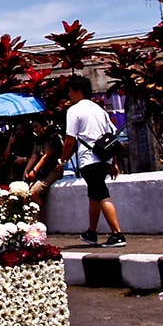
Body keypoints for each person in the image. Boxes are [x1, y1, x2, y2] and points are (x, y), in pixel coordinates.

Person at [59, 75, 126, 248]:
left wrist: (63, 158)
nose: (69, 95)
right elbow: (112, 137)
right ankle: (91, 232)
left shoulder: (74, 111)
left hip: (89, 159)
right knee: (94, 195)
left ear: (78, 91)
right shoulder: (99, 110)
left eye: (70, 91)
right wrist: (114, 162)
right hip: (104, 158)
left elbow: (70, 140)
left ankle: (117, 234)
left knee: (101, 194)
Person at [23, 117, 65, 213]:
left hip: (54, 169)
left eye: (36, 127)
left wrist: (34, 170)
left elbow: (47, 155)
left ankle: (38, 216)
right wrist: (27, 170)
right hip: (43, 171)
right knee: (26, 193)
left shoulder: (52, 137)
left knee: (33, 192)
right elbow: (34, 155)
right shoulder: (38, 140)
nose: (35, 130)